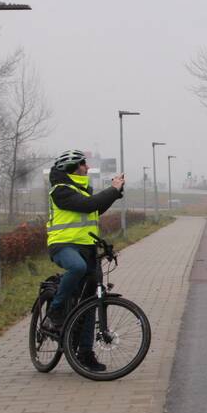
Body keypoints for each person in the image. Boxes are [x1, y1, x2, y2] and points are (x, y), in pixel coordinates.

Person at [44, 149, 125, 372]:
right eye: (83, 165)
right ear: (72, 168)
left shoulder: (82, 190)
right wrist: (112, 189)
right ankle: (56, 311)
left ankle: (85, 353)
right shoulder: (60, 191)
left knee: (91, 300)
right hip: (63, 245)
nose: (87, 168)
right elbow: (88, 205)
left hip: (87, 247)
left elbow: (95, 208)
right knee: (77, 267)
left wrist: (115, 193)